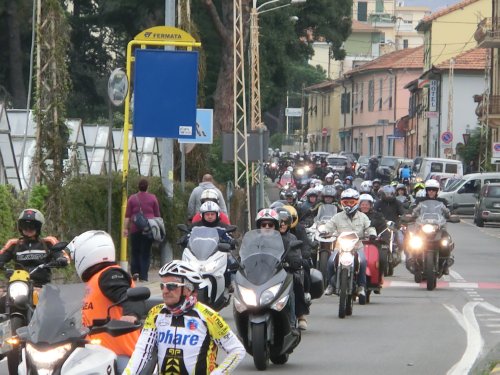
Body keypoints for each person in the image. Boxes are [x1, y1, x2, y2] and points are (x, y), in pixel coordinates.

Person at [123, 260, 246, 374]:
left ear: (188, 288)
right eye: (162, 286)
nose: (165, 291)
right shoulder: (156, 313)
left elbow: (237, 350)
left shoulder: (208, 316)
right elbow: (142, 352)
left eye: (171, 286)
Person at [68, 230, 144, 373]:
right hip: (97, 354)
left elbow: (128, 296)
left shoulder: (109, 274)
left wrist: (131, 314)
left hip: (119, 355)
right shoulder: (94, 281)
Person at [255, 209, 302, 332]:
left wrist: (294, 262)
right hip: (258, 276)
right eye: (263, 225)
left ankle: (292, 324)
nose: (266, 227)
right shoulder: (254, 241)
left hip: (279, 274)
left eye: (270, 225)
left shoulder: (286, 240)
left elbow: (295, 256)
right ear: (258, 226)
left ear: (275, 226)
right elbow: (243, 257)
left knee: (290, 290)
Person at [324, 189, 376, 297]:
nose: (348, 205)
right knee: (329, 262)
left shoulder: (363, 217)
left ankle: (361, 286)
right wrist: (324, 231)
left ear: (356, 203)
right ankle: (330, 285)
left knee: (363, 262)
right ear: (341, 203)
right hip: (340, 247)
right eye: (345, 202)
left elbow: (369, 227)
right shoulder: (337, 216)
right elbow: (329, 226)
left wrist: (372, 234)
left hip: (357, 246)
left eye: (351, 202)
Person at [0, 208, 69, 286]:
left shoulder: (48, 242)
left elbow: (64, 256)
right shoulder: (13, 243)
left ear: (39, 227)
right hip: (19, 285)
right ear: (20, 227)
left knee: (55, 297)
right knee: (4, 297)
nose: (28, 229)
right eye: (24, 225)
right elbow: (2, 256)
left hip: (44, 286)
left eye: (32, 226)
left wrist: (61, 259)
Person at [408, 179, 454, 274]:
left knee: (446, 241)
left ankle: (445, 263)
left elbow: (448, 212)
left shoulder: (442, 201)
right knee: (414, 241)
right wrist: (410, 215)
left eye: (433, 190)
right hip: (422, 227)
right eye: (429, 190)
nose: (431, 192)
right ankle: (414, 260)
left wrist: (451, 216)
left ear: (437, 191)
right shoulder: (420, 201)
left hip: (438, 227)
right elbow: (413, 210)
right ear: (426, 190)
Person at [124, 178, 160, 282]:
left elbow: (127, 216)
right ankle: (143, 276)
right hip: (148, 228)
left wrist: (125, 229)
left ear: (138, 187)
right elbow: (157, 215)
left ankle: (135, 272)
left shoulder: (132, 198)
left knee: (135, 251)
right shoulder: (153, 198)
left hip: (135, 228)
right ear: (147, 187)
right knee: (145, 252)